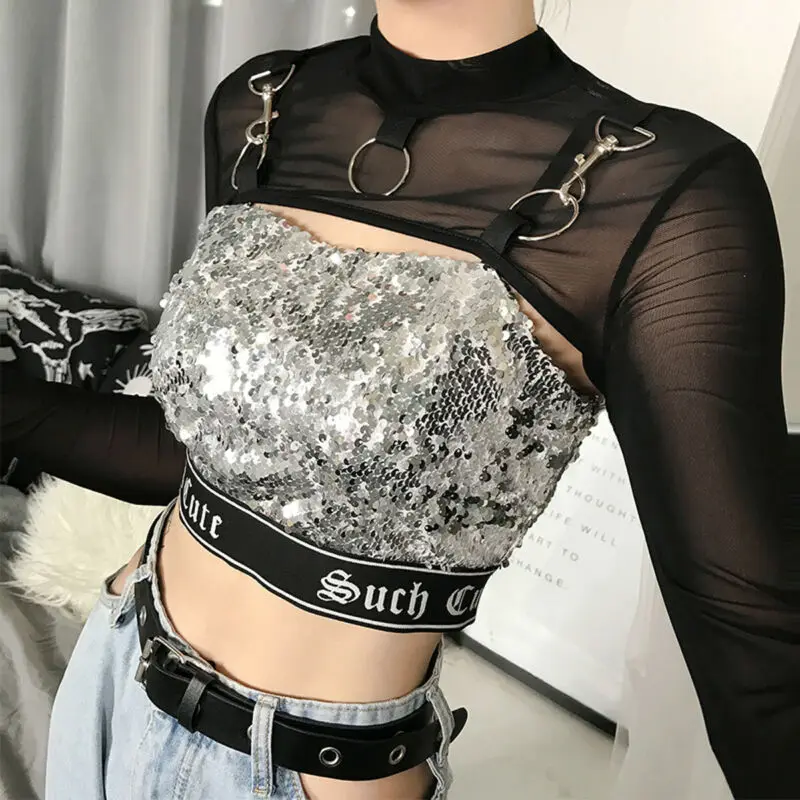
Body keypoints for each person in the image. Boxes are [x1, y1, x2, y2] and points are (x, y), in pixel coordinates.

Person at [2, 1, 796, 798]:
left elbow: (749, 637)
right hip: (117, 670)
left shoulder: (664, 193)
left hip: (307, 768)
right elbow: (209, 453)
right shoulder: (263, 102)